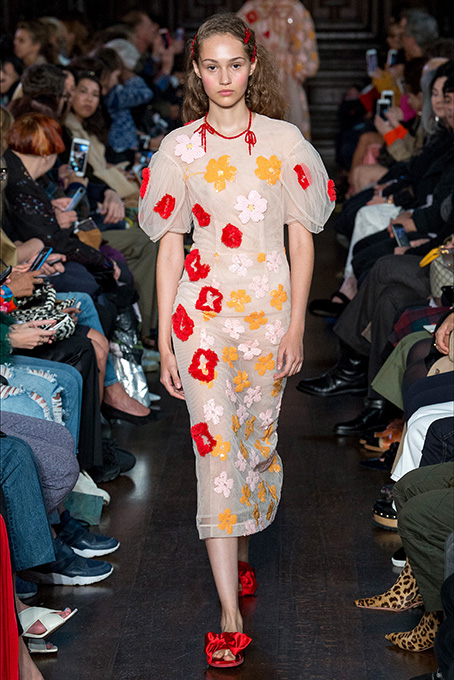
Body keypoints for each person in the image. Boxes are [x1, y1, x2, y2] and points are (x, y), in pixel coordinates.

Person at [139, 13, 334, 667]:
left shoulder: (285, 142)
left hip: (268, 317)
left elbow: (302, 238)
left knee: (254, 445)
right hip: (200, 321)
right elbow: (170, 246)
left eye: (235, 64)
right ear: (197, 72)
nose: (224, 77)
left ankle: (243, 542)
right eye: (211, 66)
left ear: (252, 66)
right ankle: (227, 613)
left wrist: (297, 325)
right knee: (216, 453)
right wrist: (164, 338)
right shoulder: (178, 150)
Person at [238, 0, 319, 138]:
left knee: (288, 123)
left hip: (279, 73)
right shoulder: (251, 9)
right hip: (262, 72)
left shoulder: (293, 9)